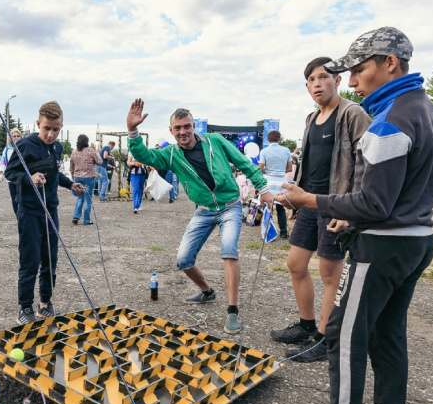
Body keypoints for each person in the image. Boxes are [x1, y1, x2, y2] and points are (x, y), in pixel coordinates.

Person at [278, 27, 433, 404]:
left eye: (359, 70)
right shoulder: (424, 108)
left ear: (390, 63)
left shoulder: (393, 117)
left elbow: (375, 201)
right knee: (387, 332)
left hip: (383, 246)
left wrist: (310, 200)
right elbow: (401, 191)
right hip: (416, 239)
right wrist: (352, 212)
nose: (352, 82)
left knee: (345, 333)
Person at [125, 99, 272, 334]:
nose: (183, 131)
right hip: (203, 210)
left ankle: (232, 311)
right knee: (183, 260)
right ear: (171, 130)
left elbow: (243, 162)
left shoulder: (215, 141)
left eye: (187, 126)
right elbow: (145, 155)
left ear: (194, 126)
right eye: (178, 128)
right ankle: (207, 292)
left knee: (229, 251)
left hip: (230, 206)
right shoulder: (171, 155)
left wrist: (262, 188)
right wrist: (132, 131)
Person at [269, 56, 370, 363]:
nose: (317, 84)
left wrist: (349, 210)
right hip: (309, 202)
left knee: (330, 274)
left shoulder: (353, 113)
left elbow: (366, 164)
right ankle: (307, 325)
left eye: (323, 77)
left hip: (335, 204)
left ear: (337, 80)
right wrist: (295, 198)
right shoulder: (311, 118)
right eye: (312, 79)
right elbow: (308, 162)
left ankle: (326, 340)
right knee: (295, 264)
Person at [4, 101, 85, 323]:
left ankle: (45, 303)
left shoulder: (57, 148)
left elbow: (55, 174)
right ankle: (25, 307)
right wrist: (29, 178)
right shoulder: (24, 145)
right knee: (30, 260)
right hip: (29, 212)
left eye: (56, 130)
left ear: (61, 127)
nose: (50, 134)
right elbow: (10, 173)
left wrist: (71, 184)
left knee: (50, 259)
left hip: (51, 211)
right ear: (38, 124)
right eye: (46, 128)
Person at [258, 130, 293, 239]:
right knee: (281, 208)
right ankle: (283, 232)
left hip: (268, 181)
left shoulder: (264, 151)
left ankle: (268, 232)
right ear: (279, 138)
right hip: (281, 182)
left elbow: (261, 168)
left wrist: (268, 172)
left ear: (268, 139)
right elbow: (290, 168)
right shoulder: (286, 150)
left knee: (268, 208)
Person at [70, 134, 102, 225]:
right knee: (88, 199)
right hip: (89, 177)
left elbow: (71, 166)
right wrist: (97, 153)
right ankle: (87, 220)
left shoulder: (74, 152)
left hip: (77, 177)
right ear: (86, 142)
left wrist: (73, 176)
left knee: (80, 197)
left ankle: (76, 216)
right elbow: (99, 162)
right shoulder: (91, 151)